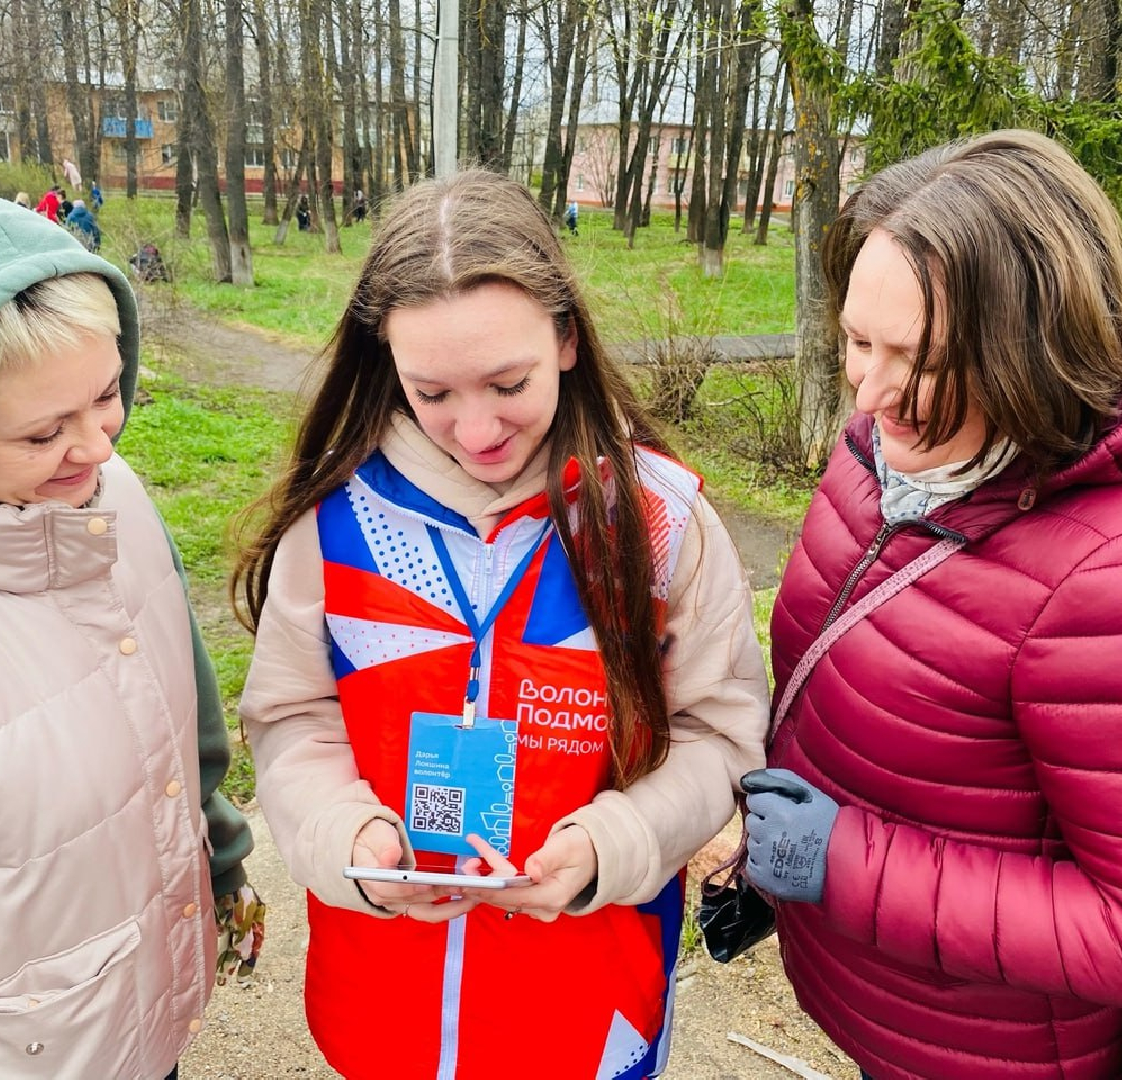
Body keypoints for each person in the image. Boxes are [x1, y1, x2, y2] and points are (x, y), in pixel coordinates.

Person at [743, 128, 1122, 1080]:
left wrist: (846, 863)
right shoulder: (905, 447)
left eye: (913, 356)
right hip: (894, 1014)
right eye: (856, 340)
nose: (866, 390)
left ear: (1031, 348)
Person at [233, 168, 768, 1080]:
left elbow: (718, 739)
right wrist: (346, 843)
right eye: (431, 392)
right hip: (379, 1012)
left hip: (586, 1014)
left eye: (507, 382)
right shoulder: (333, 516)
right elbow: (292, 720)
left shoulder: (659, 521)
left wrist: (612, 845)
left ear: (565, 338)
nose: (476, 429)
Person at [0, 185, 262, 1078]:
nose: (100, 447)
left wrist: (220, 855)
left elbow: (183, 725)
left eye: (108, 394)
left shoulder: (115, 504)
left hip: (136, 1031)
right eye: (43, 433)